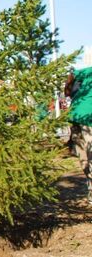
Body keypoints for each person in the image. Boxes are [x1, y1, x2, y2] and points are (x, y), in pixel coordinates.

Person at [67, 66, 92, 204]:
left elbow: (72, 76)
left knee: (83, 153)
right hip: (89, 118)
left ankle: (90, 187)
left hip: (75, 115)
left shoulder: (86, 71)